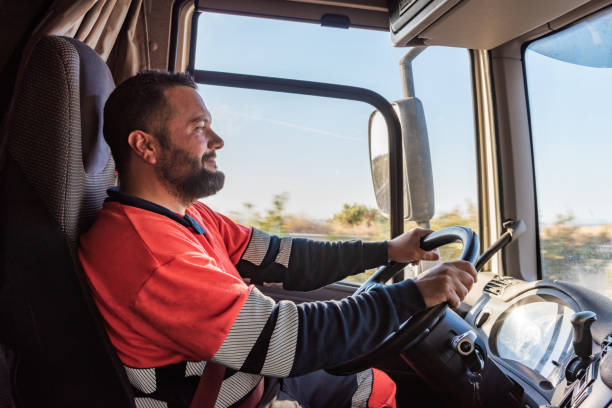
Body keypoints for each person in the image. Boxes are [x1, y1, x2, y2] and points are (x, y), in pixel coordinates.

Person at [79, 71, 477, 408]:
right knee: (373, 391)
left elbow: (284, 257)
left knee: (377, 384)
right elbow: (284, 340)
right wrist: (411, 296)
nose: (217, 141)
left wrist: (388, 250)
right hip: (230, 398)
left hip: (247, 378)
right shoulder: (146, 252)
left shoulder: (186, 215)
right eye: (199, 128)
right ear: (145, 145)